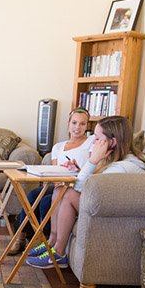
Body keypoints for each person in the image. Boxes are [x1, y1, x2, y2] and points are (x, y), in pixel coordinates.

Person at [26, 115, 145, 269]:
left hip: (115, 214)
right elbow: (96, 184)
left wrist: (92, 161)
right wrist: (81, 169)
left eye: (97, 138)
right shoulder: (116, 160)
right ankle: (51, 242)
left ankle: (58, 253)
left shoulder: (122, 167)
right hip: (107, 205)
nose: (92, 141)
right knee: (60, 189)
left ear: (112, 142)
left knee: (69, 194)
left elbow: (82, 188)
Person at [8, 107, 92, 255]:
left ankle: (45, 240)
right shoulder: (58, 147)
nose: (77, 127)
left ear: (87, 126)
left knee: (46, 202)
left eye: (82, 124)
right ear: (68, 123)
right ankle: (20, 238)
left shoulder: (91, 143)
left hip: (76, 186)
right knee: (32, 195)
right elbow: (55, 172)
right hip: (59, 184)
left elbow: (92, 167)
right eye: (74, 123)